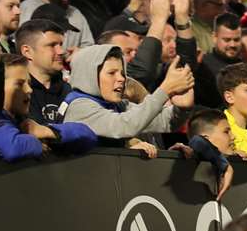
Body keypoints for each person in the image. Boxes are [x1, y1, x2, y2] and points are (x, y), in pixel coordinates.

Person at [59, 44, 193, 152]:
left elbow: (164, 122)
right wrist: (164, 91)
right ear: (90, 76)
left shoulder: (118, 105)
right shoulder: (79, 106)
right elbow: (125, 126)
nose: (121, 79)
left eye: (122, 73)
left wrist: (181, 108)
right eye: (112, 73)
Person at [0, 56, 99, 161]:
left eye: (29, 83)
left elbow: (88, 136)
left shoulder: (25, 121)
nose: (29, 90)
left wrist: (47, 131)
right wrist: (37, 144)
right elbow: (12, 148)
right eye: (19, 84)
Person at [16, 19, 70, 124]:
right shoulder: (17, 92)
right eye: (52, 45)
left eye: (61, 44)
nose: (61, 51)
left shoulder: (69, 90)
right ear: (27, 52)